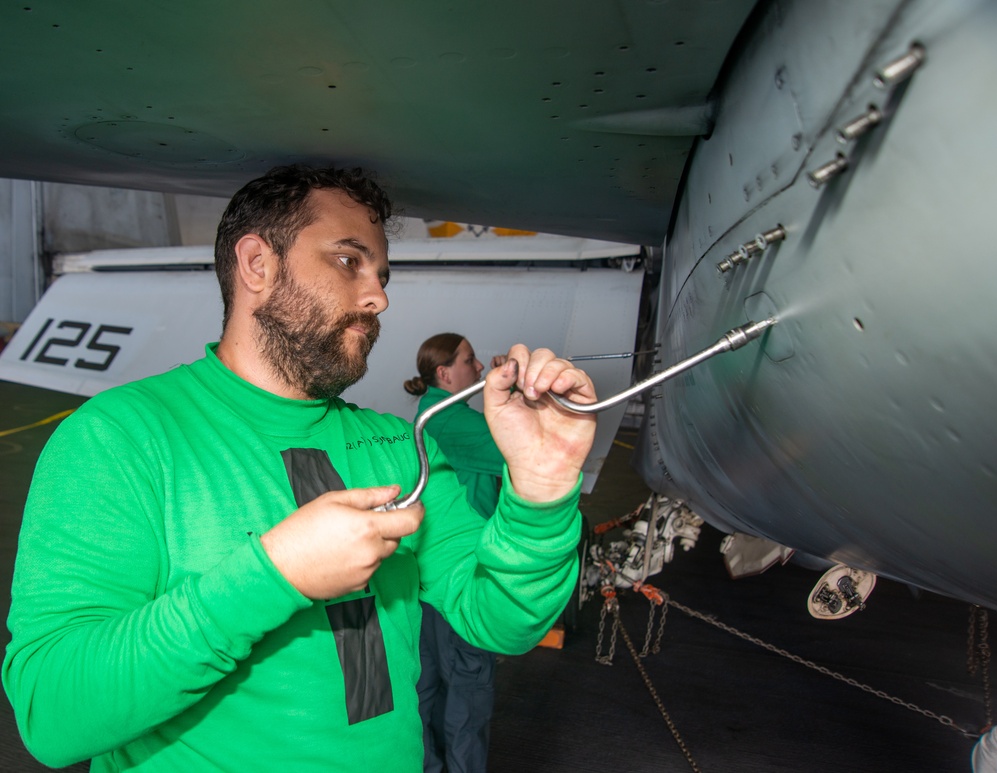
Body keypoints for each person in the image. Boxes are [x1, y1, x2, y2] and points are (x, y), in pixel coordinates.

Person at [2, 165, 597, 773]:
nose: (379, 296)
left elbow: (502, 620)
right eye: (349, 262)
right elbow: (52, 714)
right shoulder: (119, 438)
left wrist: (542, 488)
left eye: (382, 275)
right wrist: (273, 573)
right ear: (258, 265)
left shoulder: (398, 443)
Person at [403, 333, 505, 772]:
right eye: (470, 360)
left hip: (430, 580)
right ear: (445, 374)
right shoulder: (449, 419)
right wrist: (515, 394)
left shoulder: (433, 413)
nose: (479, 367)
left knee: (428, 689)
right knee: (466, 690)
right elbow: (519, 451)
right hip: (460, 575)